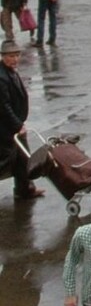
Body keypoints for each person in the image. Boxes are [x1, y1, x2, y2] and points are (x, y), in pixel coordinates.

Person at [0, 39, 44, 201]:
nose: (15, 59)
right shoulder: (1, 77)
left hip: (14, 127)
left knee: (22, 160)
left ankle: (24, 190)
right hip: (5, 130)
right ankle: (24, 189)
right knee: (6, 162)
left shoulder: (10, 71)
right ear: (3, 56)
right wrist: (18, 125)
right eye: (11, 56)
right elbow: (3, 107)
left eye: (17, 55)